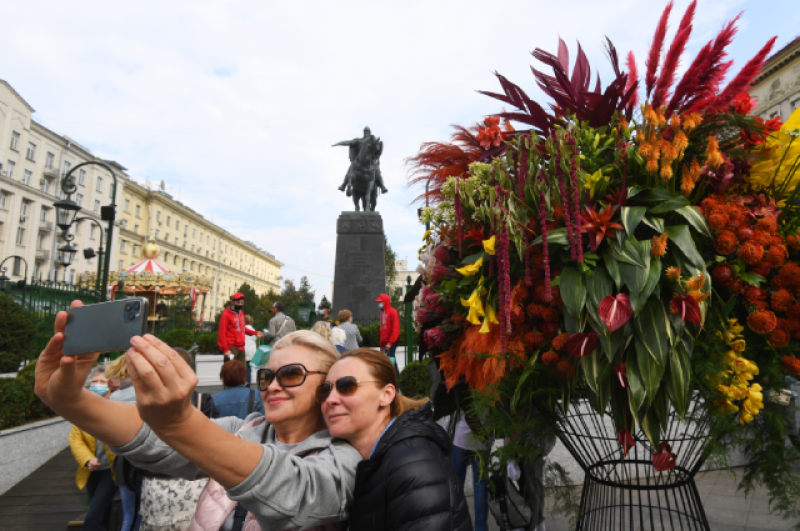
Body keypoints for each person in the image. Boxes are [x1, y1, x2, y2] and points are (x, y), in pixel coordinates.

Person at [35, 305, 361, 531]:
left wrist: (179, 422)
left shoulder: (346, 454)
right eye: (265, 377)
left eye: (291, 374)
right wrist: (71, 402)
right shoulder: (244, 429)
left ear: (326, 385)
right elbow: (155, 441)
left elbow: (294, 492)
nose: (273, 385)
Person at [319, 348, 473, 531]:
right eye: (325, 390)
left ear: (386, 395)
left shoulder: (413, 467)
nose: (331, 399)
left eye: (347, 386)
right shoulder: (374, 457)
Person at [136, 348, 219, 531]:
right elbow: (214, 441)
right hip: (192, 481)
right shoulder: (201, 400)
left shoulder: (144, 402)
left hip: (155, 483)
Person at [69, 365, 118, 531]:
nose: (97, 384)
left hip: (112, 470)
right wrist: (87, 459)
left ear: (110, 384)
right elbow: (76, 438)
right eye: (94, 381)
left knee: (93, 515)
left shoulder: (119, 405)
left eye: (102, 381)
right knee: (104, 511)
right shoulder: (84, 408)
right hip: (92, 470)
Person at [107, 357, 143, 531]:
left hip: (121, 462)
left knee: (128, 514)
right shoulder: (143, 393)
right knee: (143, 513)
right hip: (144, 462)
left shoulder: (113, 397)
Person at [450, 412, 491, 531]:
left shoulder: (460, 391)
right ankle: (481, 528)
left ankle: (456, 526)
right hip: (482, 440)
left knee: (456, 484)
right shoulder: (490, 392)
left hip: (461, 437)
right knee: (480, 486)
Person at [218, 293, 263, 364]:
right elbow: (222, 333)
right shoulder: (226, 315)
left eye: (242, 303)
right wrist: (226, 349)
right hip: (232, 346)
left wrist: (255, 333)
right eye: (238, 302)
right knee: (230, 370)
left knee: (242, 371)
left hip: (241, 346)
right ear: (233, 302)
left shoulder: (241, 313)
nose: (240, 304)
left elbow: (242, 328)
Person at [375, 294, 400, 368]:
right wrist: (381, 345)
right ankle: (395, 377)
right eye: (378, 302)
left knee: (390, 360)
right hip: (386, 341)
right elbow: (382, 330)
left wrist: (390, 342)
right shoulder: (382, 314)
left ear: (385, 301)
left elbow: (395, 328)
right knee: (390, 360)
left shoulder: (393, 312)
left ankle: (394, 376)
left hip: (391, 340)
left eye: (381, 302)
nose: (379, 304)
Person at [244, 315, 258, 386]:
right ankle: (248, 385)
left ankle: (245, 385)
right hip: (251, 351)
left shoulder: (243, 328)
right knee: (249, 369)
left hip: (244, 350)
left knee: (244, 369)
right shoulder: (253, 329)